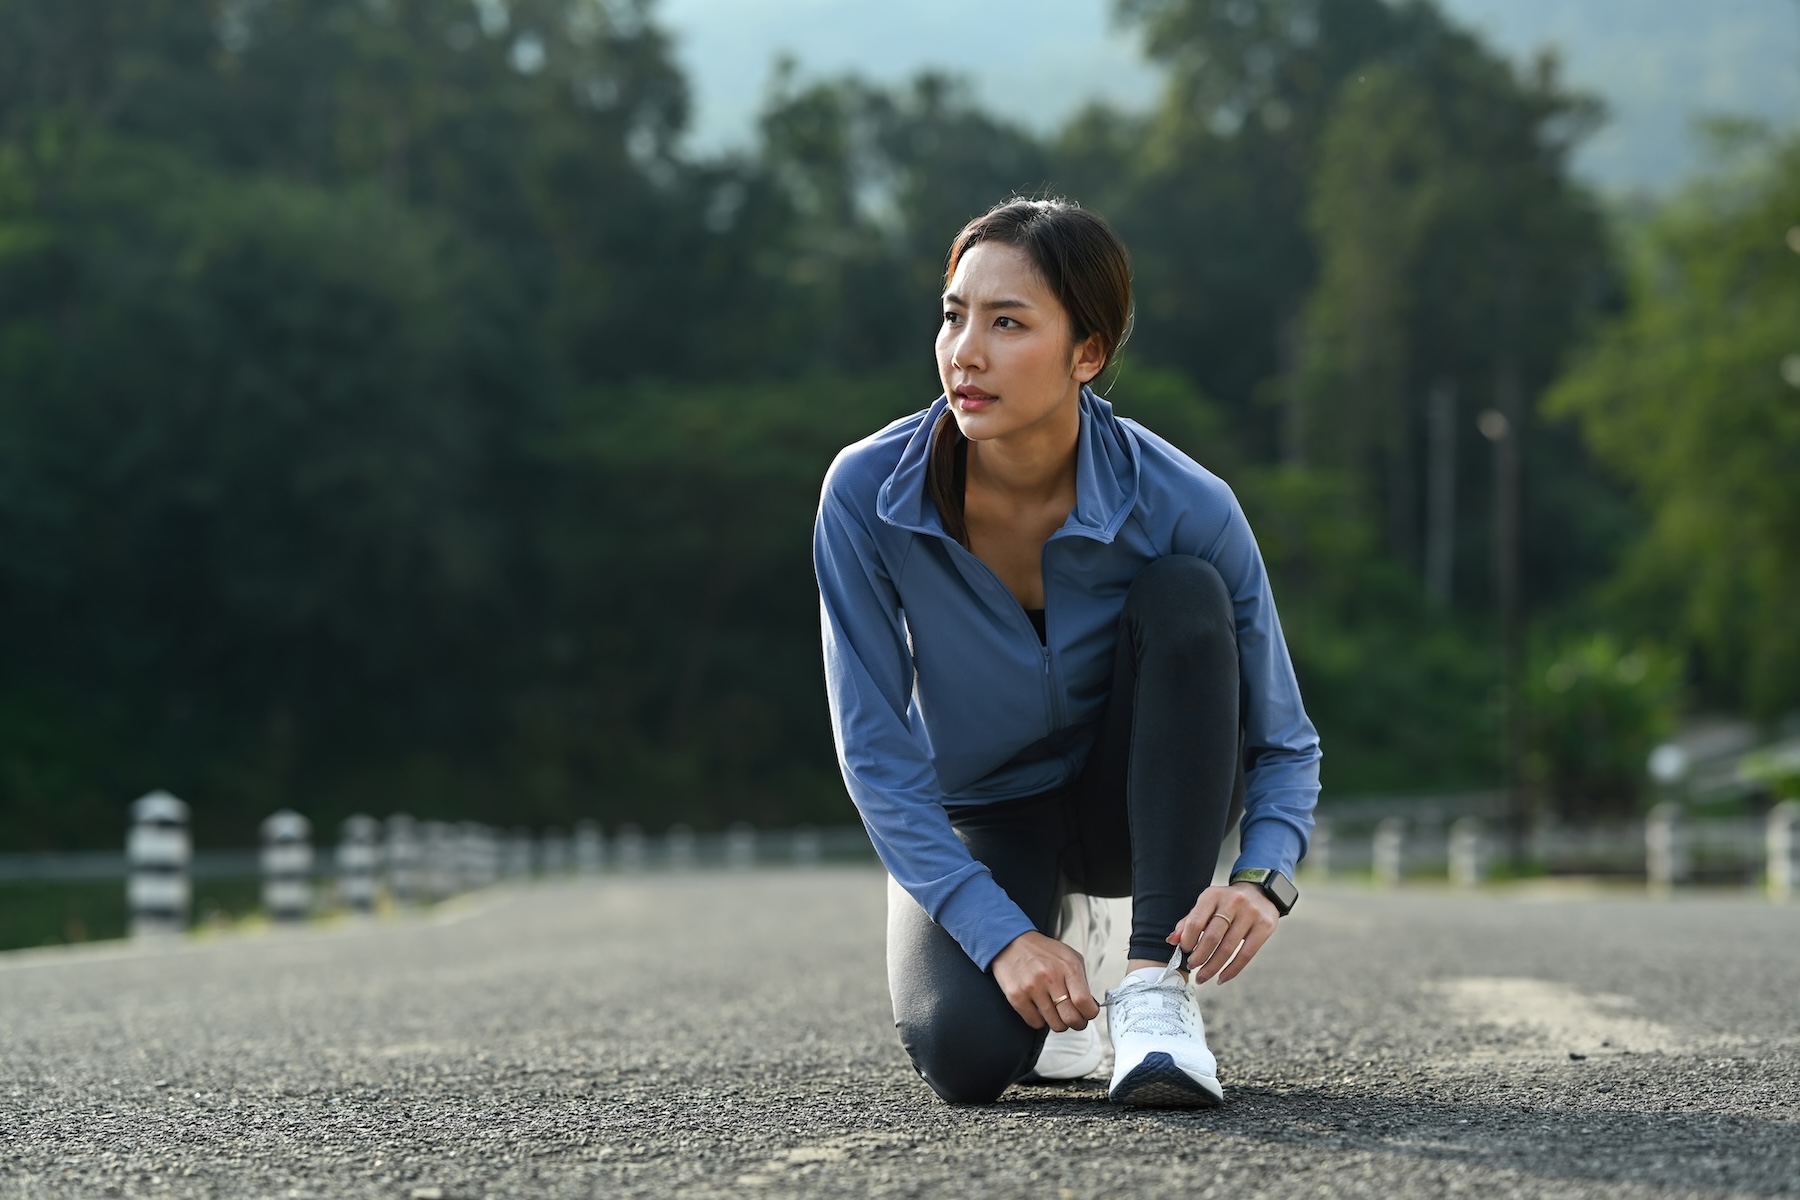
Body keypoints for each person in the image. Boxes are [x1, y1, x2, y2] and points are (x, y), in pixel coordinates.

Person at [812, 197, 1320, 1108]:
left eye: (1008, 323)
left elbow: (1285, 738)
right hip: (989, 812)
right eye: (954, 314)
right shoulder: (865, 494)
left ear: (1087, 354)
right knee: (968, 1060)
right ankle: (1052, 923)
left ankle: (1155, 993)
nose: (965, 351)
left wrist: (1263, 879)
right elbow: (875, 747)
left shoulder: (1188, 504)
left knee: (1184, 596)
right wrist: (998, 933)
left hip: (1136, 805)